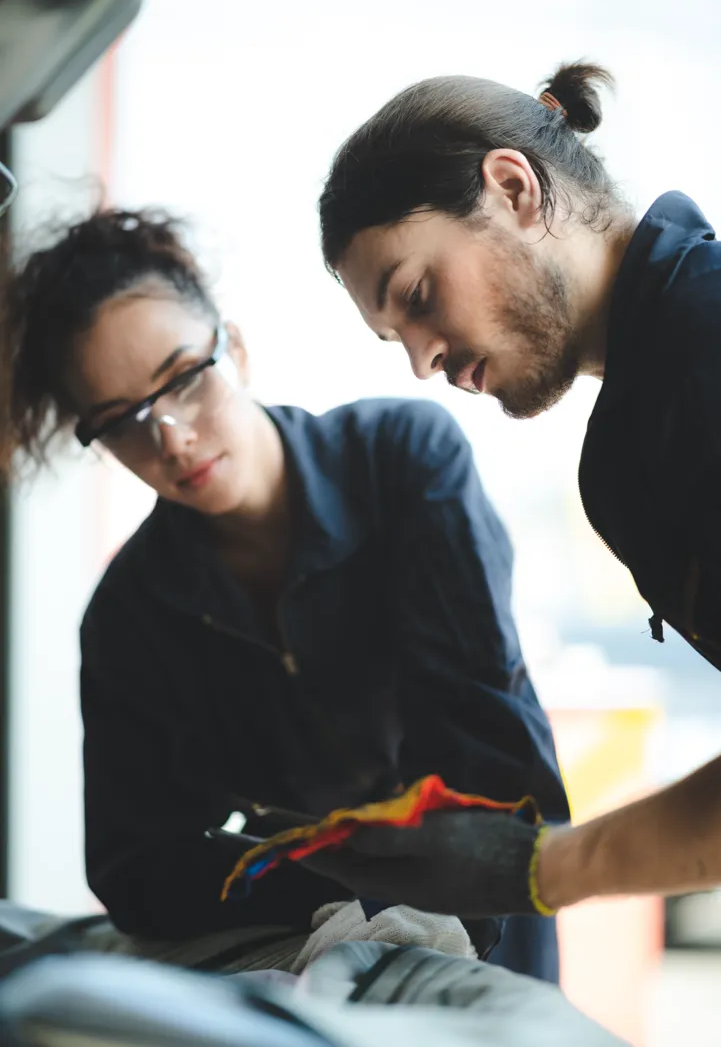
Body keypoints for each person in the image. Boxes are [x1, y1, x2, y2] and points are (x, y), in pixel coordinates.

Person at [0, 208, 569, 980]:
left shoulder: (402, 463)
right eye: (123, 422)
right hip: (310, 934)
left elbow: (483, 744)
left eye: (182, 380)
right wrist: (328, 894)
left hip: (488, 890)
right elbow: (136, 866)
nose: (170, 436)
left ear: (232, 346)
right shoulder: (129, 612)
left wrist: (419, 901)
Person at [301, 60, 721, 919]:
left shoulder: (704, 355)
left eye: (417, 295)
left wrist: (548, 867)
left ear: (513, 189)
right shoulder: (648, 413)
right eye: (395, 341)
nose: (424, 363)